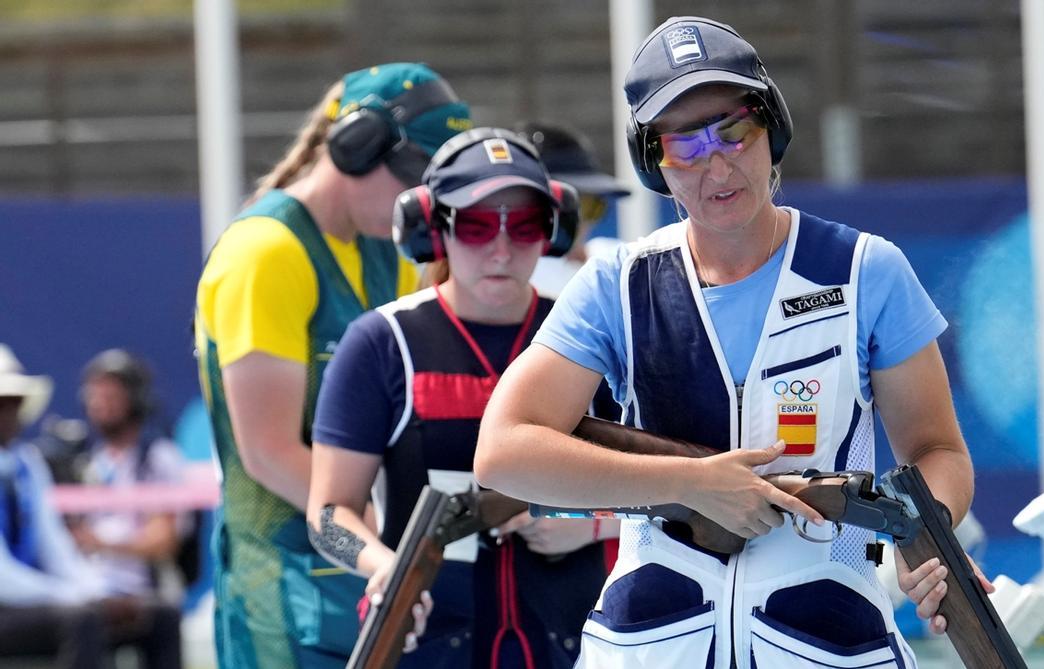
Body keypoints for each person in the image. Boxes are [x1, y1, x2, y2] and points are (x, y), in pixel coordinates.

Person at [476, 16, 987, 668]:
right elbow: (502, 451)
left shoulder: (867, 270)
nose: (715, 163)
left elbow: (937, 450)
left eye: (735, 129)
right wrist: (690, 483)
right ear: (651, 161)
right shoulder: (616, 282)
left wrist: (924, 532)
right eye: (682, 144)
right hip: (649, 644)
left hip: (832, 642)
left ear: (771, 127)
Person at [194, 62, 470, 668]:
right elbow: (269, 453)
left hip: (363, 568)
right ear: (353, 148)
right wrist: (375, 539)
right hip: (282, 586)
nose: (416, 202)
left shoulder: (386, 249)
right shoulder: (264, 253)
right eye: (408, 178)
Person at [307, 127, 614, 669]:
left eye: (523, 225)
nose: (500, 248)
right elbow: (330, 513)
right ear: (433, 228)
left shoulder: (591, 335)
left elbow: (669, 492)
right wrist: (387, 569)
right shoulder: (382, 343)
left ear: (553, 229)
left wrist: (591, 522)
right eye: (474, 225)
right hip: (429, 646)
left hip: (576, 644)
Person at [0, 344, 181, 669]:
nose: (11, 414)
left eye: (15, 402)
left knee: (160, 616)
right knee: (82, 621)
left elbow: (57, 551)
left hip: (43, 601)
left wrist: (102, 595)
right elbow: (4, 580)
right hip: (16, 604)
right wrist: (85, 599)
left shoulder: (27, 464)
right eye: (2, 404)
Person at [72, 350, 190, 602]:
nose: (101, 404)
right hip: (87, 590)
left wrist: (99, 543)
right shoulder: (84, 462)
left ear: (135, 399)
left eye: (111, 395)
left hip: (145, 595)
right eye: (95, 396)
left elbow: (163, 541)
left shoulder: (159, 457)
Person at [515, 121, 631, 299]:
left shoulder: (615, 259)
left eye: (592, 207)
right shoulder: (513, 279)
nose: (581, 223)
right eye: (568, 204)